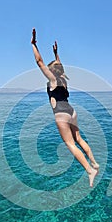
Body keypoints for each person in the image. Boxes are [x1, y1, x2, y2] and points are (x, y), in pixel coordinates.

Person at [31, 28, 99, 187]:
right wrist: (56, 54)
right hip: (72, 112)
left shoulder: (53, 80)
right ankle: (94, 163)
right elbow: (59, 66)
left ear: (51, 71)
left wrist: (33, 44)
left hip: (61, 114)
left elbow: (39, 62)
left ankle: (90, 170)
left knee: (70, 144)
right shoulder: (63, 79)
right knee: (79, 138)